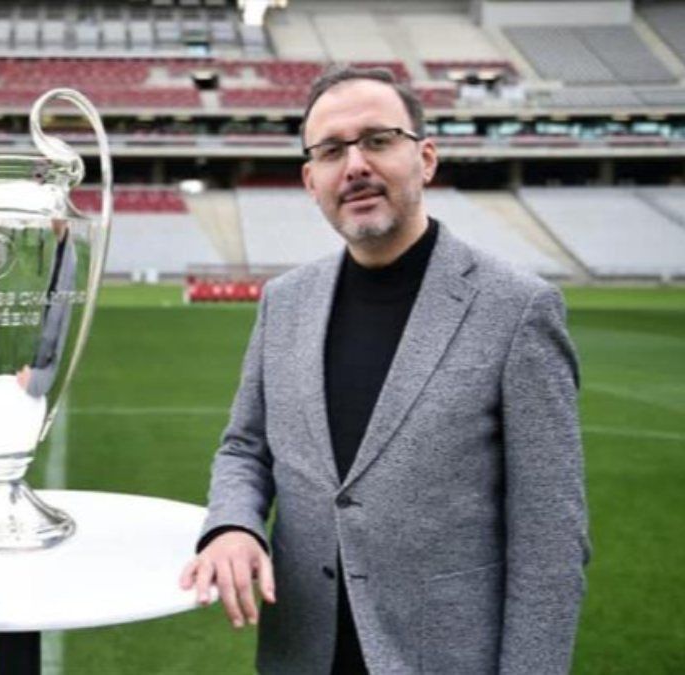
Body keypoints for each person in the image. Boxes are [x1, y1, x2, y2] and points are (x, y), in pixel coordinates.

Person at [178, 66, 590, 674]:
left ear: (425, 158)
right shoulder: (284, 302)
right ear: (310, 180)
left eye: (378, 140)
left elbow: (550, 539)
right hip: (302, 654)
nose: (355, 165)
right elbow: (245, 448)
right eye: (330, 151)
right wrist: (233, 525)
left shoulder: (517, 309)